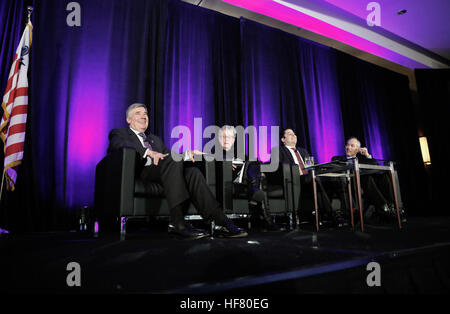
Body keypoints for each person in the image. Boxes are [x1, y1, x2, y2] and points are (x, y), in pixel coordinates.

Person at [107, 103, 248, 239]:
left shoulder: (155, 139)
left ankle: (219, 221)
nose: (144, 116)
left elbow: (170, 156)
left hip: (164, 172)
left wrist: (188, 153)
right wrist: (148, 152)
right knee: (172, 162)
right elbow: (118, 145)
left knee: (192, 172)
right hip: (141, 172)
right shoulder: (120, 133)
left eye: (145, 113)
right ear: (129, 119)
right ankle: (177, 222)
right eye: (138, 113)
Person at [216, 126, 280, 231]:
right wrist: (225, 164)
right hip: (228, 184)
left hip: (245, 184)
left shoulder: (241, 154)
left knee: (254, 164)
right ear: (219, 139)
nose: (226, 139)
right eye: (223, 137)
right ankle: (266, 219)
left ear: (233, 139)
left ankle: (255, 194)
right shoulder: (215, 153)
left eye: (229, 137)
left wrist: (260, 173)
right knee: (260, 188)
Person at [273, 129, 336, 226]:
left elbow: (311, 165)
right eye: (290, 134)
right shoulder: (279, 151)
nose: (294, 135)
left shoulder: (303, 151)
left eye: (294, 134)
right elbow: (277, 166)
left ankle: (327, 214)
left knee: (325, 178)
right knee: (314, 177)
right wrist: (294, 169)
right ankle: (331, 214)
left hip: (308, 178)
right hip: (294, 178)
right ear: (283, 139)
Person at [331, 137, 395, 223]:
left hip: (365, 182)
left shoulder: (363, 159)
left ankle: (392, 205)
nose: (348, 147)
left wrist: (367, 155)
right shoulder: (337, 159)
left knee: (383, 175)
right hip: (351, 180)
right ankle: (384, 206)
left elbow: (375, 166)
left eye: (352, 145)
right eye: (347, 145)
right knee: (367, 177)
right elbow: (335, 169)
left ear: (357, 149)